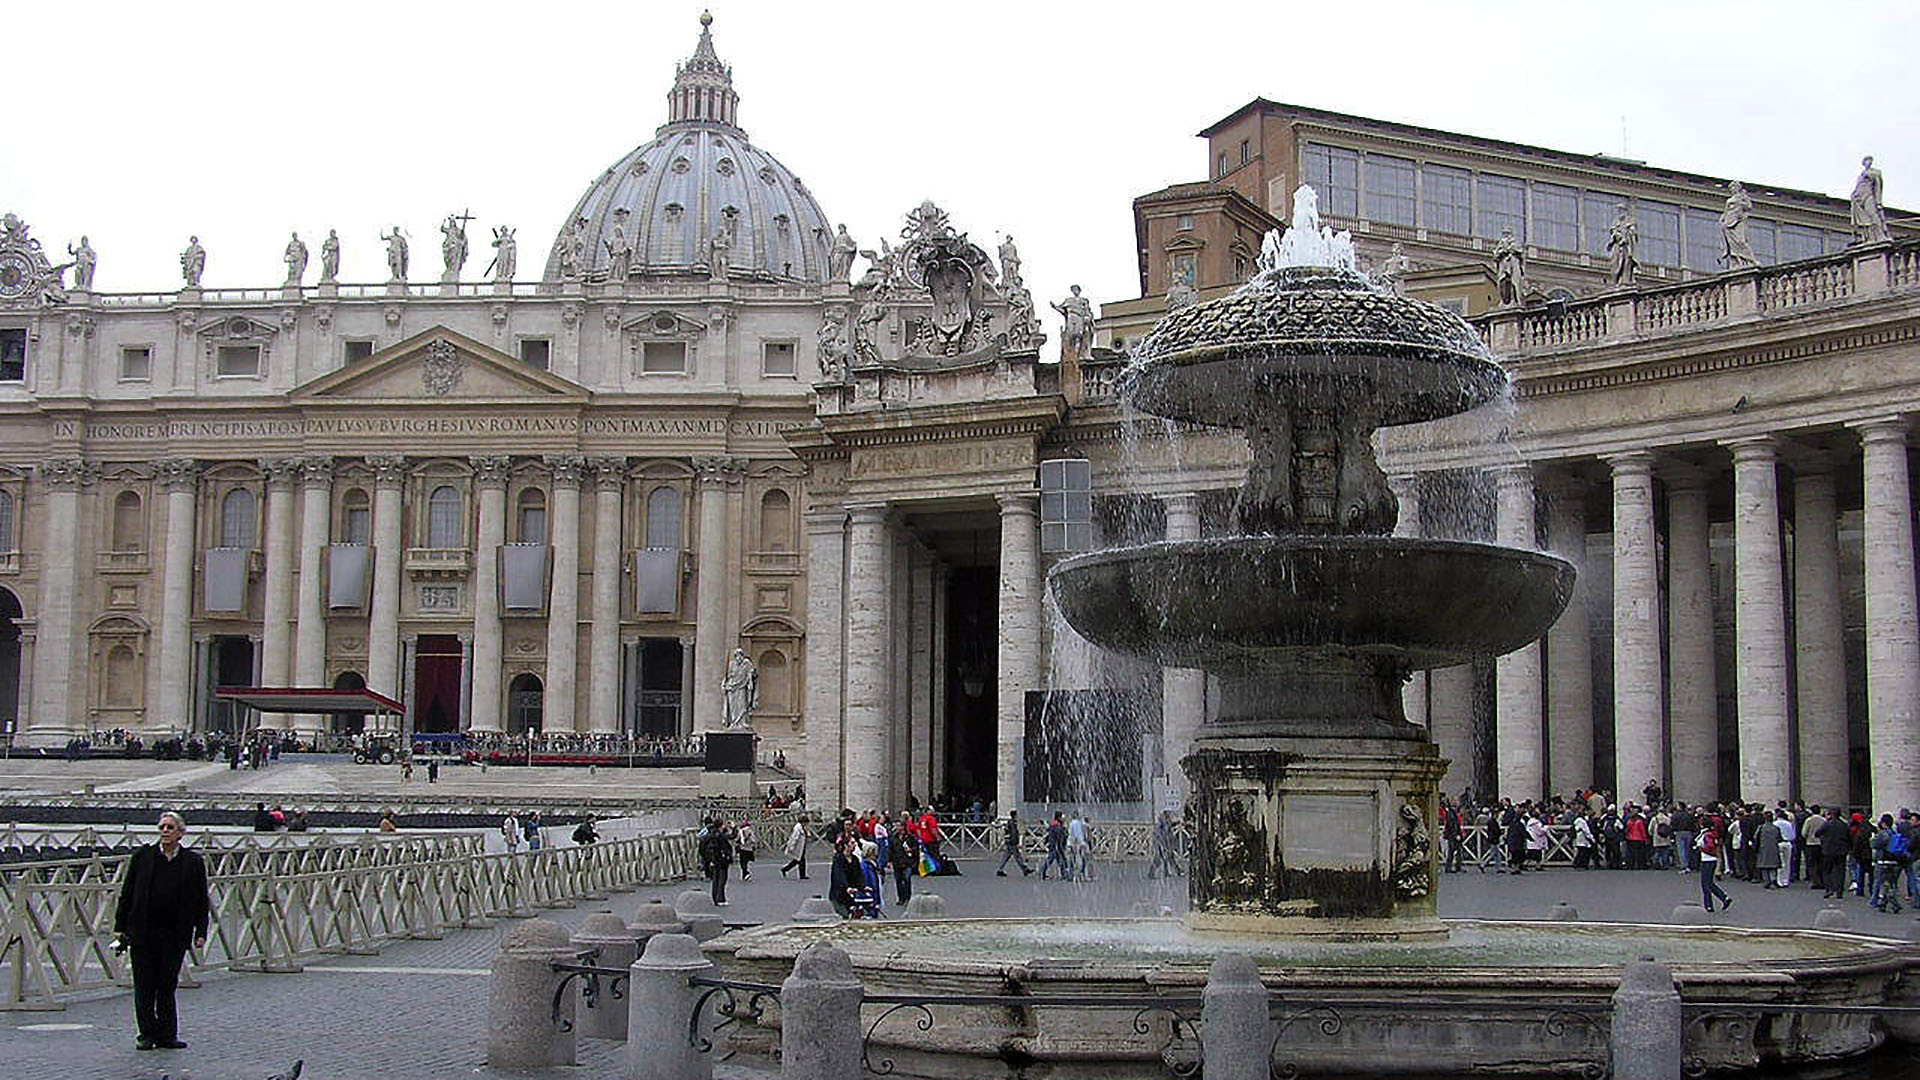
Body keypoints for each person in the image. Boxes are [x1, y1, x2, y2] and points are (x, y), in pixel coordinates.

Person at [113, 812, 209, 1051]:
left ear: (181, 833)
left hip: (174, 933)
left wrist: (201, 931)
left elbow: (200, 899)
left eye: (170, 827)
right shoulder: (143, 857)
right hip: (143, 931)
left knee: (166, 985)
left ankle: (167, 1034)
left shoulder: (193, 862)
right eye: (162, 827)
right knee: (144, 986)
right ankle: (146, 1034)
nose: (165, 831)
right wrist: (119, 926)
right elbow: (127, 892)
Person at [1696, 825, 1733, 913]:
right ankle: (1724, 898)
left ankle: (1709, 905)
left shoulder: (1707, 835)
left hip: (1707, 860)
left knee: (1705, 884)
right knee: (1709, 883)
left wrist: (1701, 849)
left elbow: (1709, 847)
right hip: (1711, 860)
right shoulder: (1710, 834)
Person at [827, 836, 862, 919]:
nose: (855, 845)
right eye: (852, 843)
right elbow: (839, 875)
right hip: (839, 893)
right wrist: (846, 887)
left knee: (856, 914)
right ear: (846, 845)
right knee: (843, 915)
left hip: (851, 894)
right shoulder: (839, 858)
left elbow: (859, 874)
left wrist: (862, 886)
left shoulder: (855, 859)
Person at [702, 818, 735, 905]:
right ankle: (720, 898)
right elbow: (732, 837)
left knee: (715, 879)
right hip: (722, 859)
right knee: (722, 879)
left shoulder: (710, 835)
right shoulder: (721, 836)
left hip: (714, 859)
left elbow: (702, 846)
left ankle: (715, 897)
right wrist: (733, 827)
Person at [890, 811, 919, 906]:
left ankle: (907, 897)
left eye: (899, 826)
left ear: (903, 827)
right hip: (897, 861)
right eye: (896, 826)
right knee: (898, 880)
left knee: (907, 879)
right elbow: (891, 849)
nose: (897, 828)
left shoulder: (910, 837)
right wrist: (889, 860)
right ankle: (900, 898)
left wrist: (911, 851)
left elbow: (916, 848)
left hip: (907, 861)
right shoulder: (893, 837)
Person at [1147, 809, 1182, 879]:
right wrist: (1163, 845)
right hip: (1161, 843)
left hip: (1164, 842)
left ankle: (1169, 872)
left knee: (1168, 858)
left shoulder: (1165, 822)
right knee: (1160, 859)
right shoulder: (1162, 823)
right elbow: (1161, 834)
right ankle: (1152, 873)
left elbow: (1168, 829)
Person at [997, 809, 1033, 876]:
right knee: (1017, 856)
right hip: (1012, 842)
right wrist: (1016, 842)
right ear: (1015, 816)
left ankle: (1000, 869)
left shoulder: (1010, 822)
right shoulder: (1012, 823)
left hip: (1009, 841)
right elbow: (1014, 833)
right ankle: (1025, 869)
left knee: (1007, 856)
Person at [1040, 812, 1071, 881]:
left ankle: (1063, 874)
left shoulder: (1055, 825)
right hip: (1056, 846)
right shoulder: (1057, 826)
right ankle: (1043, 872)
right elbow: (1061, 837)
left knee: (1058, 860)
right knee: (1055, 860)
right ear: (1059, 817)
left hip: (1054, 845)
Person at [781, 813, 811, 879]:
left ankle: (786, 869)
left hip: (801, 847)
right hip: (798, 847)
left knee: (798, 860)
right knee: (799, 860)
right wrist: (791, 846)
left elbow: (808, 834)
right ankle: (801, 874)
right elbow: (794, 838)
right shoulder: (798, 828)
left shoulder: (802, 827)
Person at [736, 817, 757, 882]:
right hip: (749, 849)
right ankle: (745, 874)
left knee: (742, 863)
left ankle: (746, 874)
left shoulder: (741, 832)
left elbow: (737, 840)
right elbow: (754, 840)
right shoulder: (751, 832)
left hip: (743, 849)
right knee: (745, 863)